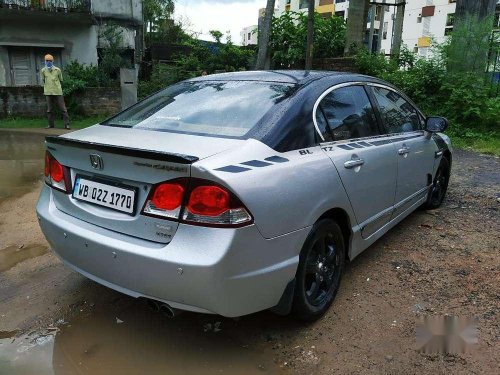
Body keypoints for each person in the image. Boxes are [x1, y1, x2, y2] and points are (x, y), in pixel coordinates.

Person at [40, 54, 70, 129]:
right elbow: (44, 80)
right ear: (45, 61)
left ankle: (67, 124)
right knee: (49, 109)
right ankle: (51, 125)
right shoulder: (43, 70)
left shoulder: (57, 70)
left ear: (52, 61)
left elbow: (61, 80)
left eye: (50, 61)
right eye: (47, 61)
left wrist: (57, 87)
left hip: (58, 92)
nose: (48, 62)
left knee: (63, 109)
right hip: (48, 91)